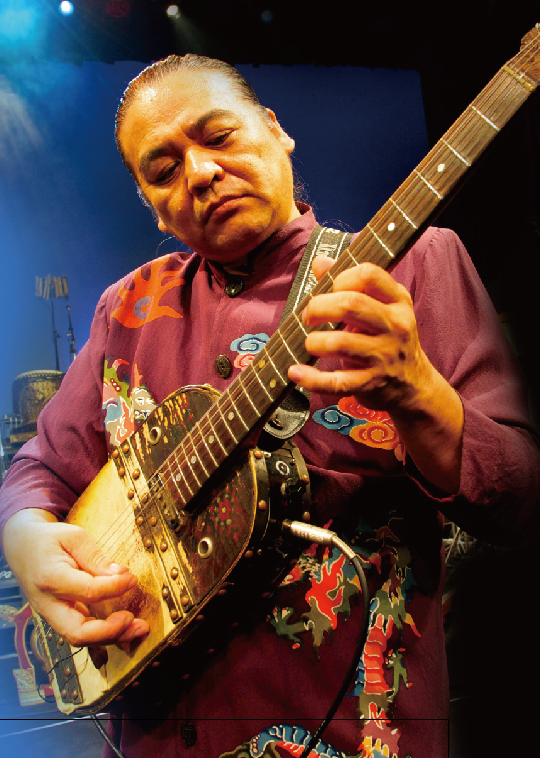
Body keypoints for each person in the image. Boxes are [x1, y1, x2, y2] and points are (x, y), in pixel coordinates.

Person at [0, 54, 538, 758]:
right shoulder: (125, 308)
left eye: (218, 136)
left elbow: (520, 496)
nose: (199, 173)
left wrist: (419, 394)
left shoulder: (417, 265)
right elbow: (40, 467)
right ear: (151, 202)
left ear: (275, 129)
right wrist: (26, 540)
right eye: (163, 169)